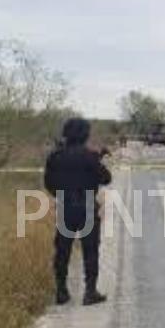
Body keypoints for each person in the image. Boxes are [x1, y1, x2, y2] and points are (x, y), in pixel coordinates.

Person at [44, 118, 112, 305]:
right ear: (85, 134)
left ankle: (61, 291)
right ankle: (90, 292)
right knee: (90, 250)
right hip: (87, 208)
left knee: (62, 251)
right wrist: (98, 161)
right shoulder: (90, 156)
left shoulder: (55, 157)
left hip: (66, 207)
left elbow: (49, 184)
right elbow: (106, 178)